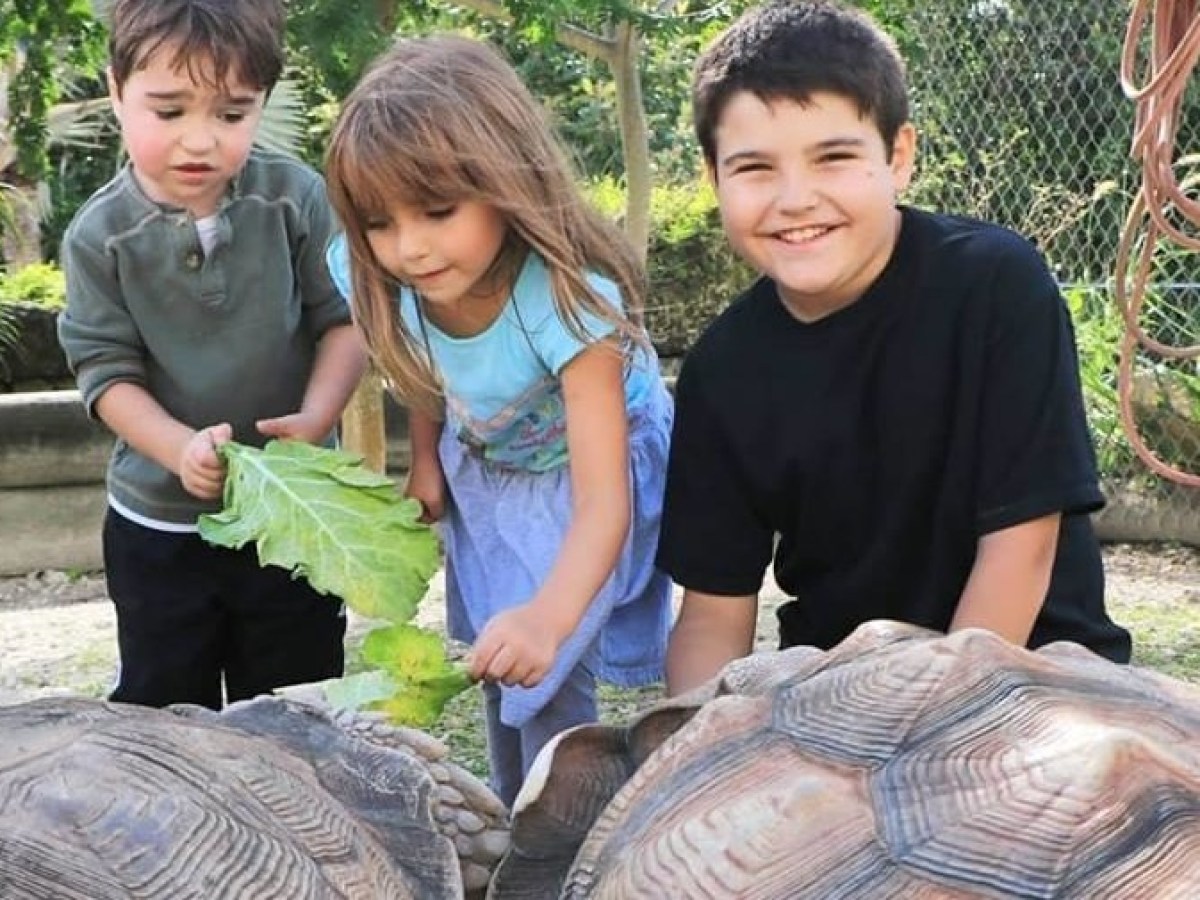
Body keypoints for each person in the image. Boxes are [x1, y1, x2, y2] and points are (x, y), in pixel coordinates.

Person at [657, 0, 1132, 695]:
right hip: (837, 689)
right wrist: (692, 754)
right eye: (755, 168)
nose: (795, 198)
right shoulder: (720, 371)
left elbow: (1021, 551)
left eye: (834, 158)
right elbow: (712, 616)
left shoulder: (996, 286)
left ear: (898, 156)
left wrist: (925, 731)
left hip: (1035, 674)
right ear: (714, 178)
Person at [323, 35, 673, 807]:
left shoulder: (571, 305)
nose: (409, 247)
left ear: (507, 182)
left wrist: (551, 617)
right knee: (493, 648)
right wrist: (425, 460)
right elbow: (421, 362)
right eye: (381, 221)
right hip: (485, 455)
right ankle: (520, 818)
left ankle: (560, 839)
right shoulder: (378, 271)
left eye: (439, 211)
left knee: (543, 666)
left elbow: (602, 503)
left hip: (586, 470)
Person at [56, 0, 367, 711]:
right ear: (116, 89)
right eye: (169, 112)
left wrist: (318, 416)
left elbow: (345, 323)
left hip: (292, 514)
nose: (201, 141)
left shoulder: (296, 199)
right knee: (167, 707)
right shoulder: (97, 236)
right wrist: (178, 449)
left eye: (232, 114)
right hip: (160, 524)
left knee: (299, 703)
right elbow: (106, 375)